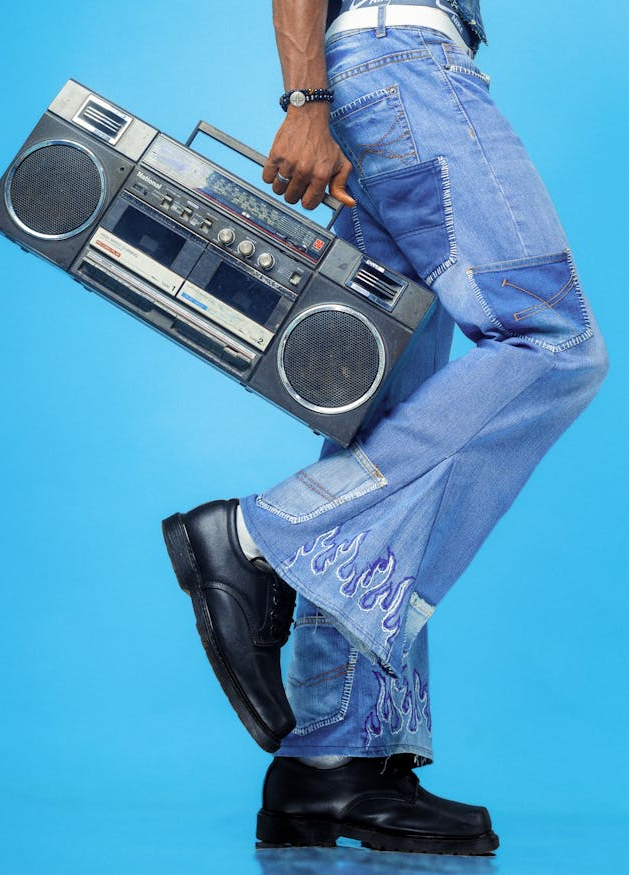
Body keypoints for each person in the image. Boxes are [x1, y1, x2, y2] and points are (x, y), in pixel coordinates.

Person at [162, 0, 609, 856]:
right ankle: (258, 535)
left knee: (391, 423)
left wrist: (328, 96)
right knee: (551, 340)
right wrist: (305, 101)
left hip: (379, 80)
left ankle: (332, 762)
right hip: (404, 68)